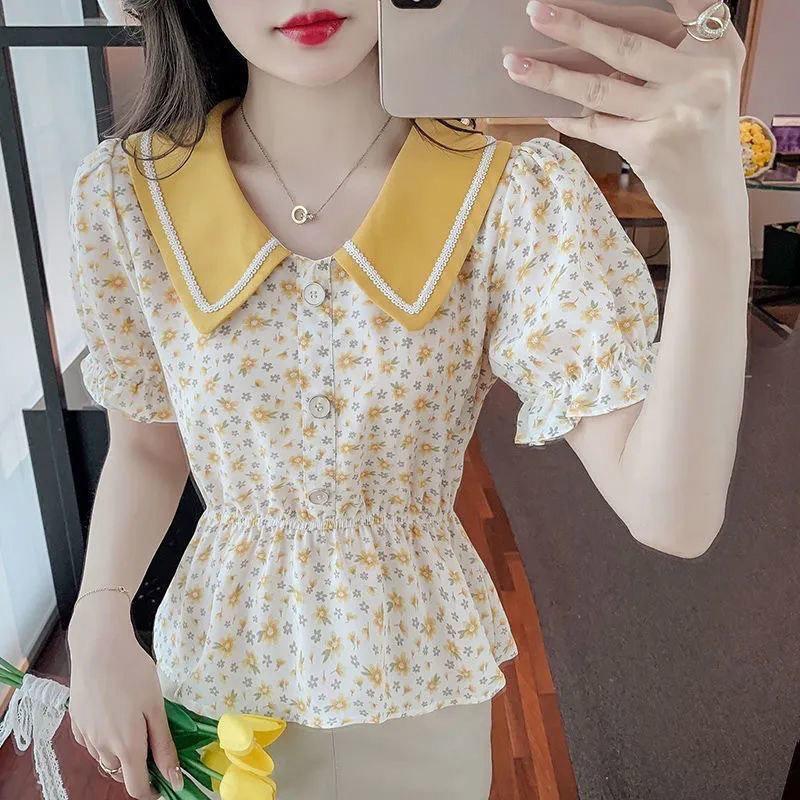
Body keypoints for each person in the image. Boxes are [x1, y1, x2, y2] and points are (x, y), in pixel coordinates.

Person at [64, 1, 749, 798]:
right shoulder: (128, 197)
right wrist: (98, 619)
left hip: (417, 680)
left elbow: (672, 517)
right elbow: (148, 444)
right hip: (219, 676)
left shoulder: (514, 194)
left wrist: (711, 224)